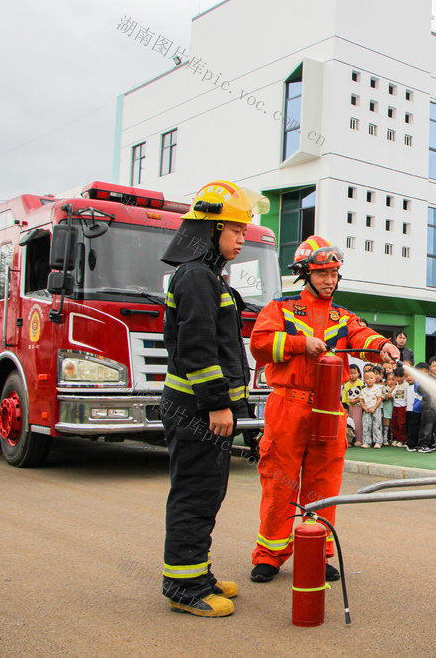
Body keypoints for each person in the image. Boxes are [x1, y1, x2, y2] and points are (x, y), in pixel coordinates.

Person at [249, 235, 399, 584]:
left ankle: (316, 552)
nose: (330, 280)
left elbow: (363, 338)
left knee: (324, 484)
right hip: (288, 406)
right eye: (322, 273)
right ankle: (270, 556)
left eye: (334, 273)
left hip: (330, 409)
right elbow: (259, 344)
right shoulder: (280, 309)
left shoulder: (343, 316)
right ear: (305, 274)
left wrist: (384, 346)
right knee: (279, 483)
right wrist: (301, 344)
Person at [158, 179, 264, 617]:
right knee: (195, 495)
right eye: (236, 230)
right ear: (210, 229)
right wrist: (218, 404)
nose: (243, 237)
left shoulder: (206, 276)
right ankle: (182, 587)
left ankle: (195, 573)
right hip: (197, 410)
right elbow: (198, 346)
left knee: (206, 494)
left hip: (200, 408)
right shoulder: (198, 277)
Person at [404, 363, 428, 452]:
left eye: (425, 372)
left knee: (422, 427)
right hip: (415, 409)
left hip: (424, 409)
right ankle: (411, 444)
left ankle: (421, 443)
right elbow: (422, 392)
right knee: (413, 427)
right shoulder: (417, 383)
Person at [360, 367, 385, 448]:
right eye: (367, 378)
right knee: (366, 425)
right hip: (366, 410)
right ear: (364, 380)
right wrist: (364, 408)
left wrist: (374, 408)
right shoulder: (363, 390)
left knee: (376, 425)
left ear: (374, 379)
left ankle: (378, 441)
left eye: (371, 378)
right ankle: (366, 442)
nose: (369, 380)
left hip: (376, 409)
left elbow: (379, 399)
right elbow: (361, 400)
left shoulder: (377, 389)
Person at [341, 364, 364, 447]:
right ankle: (348, 439)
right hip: (348, 406)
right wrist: (345, 406)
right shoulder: (346, 385)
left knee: (358, 423)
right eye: (350, 373)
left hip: (358, 406)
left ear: (358, 373)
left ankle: (358, 439)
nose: (352, 375)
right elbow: (344, 397)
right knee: (348, 422)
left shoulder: (360, 384)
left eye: (354, 373)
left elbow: (363, 395)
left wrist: (356, 400)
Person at [390, 369, 408, 447]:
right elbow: (392, 395)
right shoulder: (395, 386)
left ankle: (402, 440)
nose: (399, 378)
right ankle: (395, 438)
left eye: (401, 376)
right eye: (397, 377)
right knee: (394, 423)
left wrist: (407, 405)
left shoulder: (406, 385)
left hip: (402, 407)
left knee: (402, 424)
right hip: (395, 407)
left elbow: (408, 396)